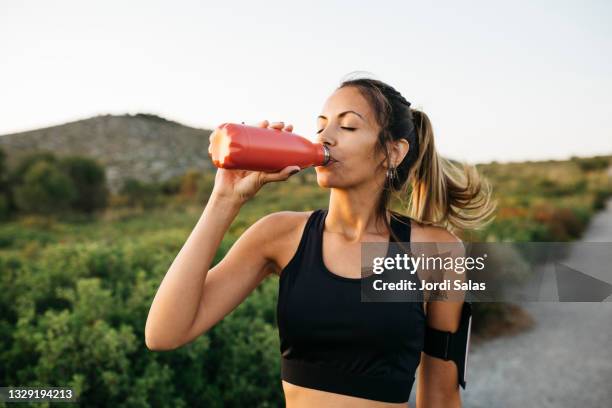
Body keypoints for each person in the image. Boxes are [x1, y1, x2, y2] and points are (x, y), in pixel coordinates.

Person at [145, 76, 496, 407]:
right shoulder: (279, 235)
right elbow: (164, 334)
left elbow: (441, 396)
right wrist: (224, 200)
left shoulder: (436, 251)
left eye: (347, 126)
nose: (324, 137)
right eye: (321, 125)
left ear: (393, 152)